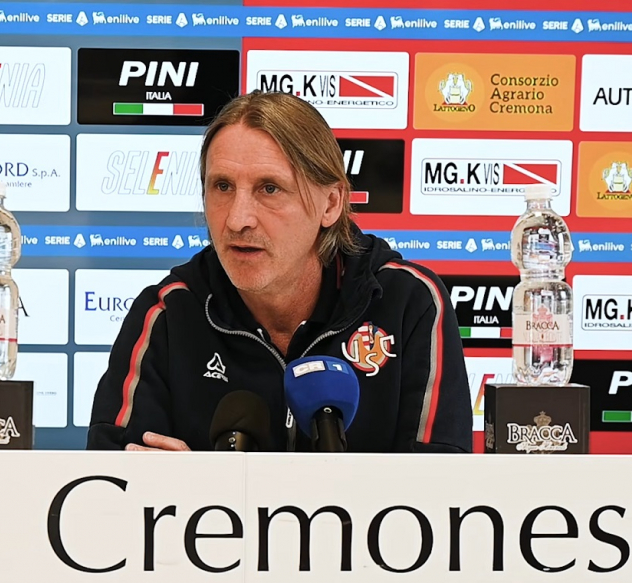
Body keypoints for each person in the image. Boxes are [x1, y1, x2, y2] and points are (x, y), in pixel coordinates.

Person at [87, 91, 472, 453]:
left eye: (269, 189)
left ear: (331, 203)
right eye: (222, 186)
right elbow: (105, 486)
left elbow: (439, 488)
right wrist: (161, 487)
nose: (237, 220)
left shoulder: (408, 304)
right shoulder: (167, 315)